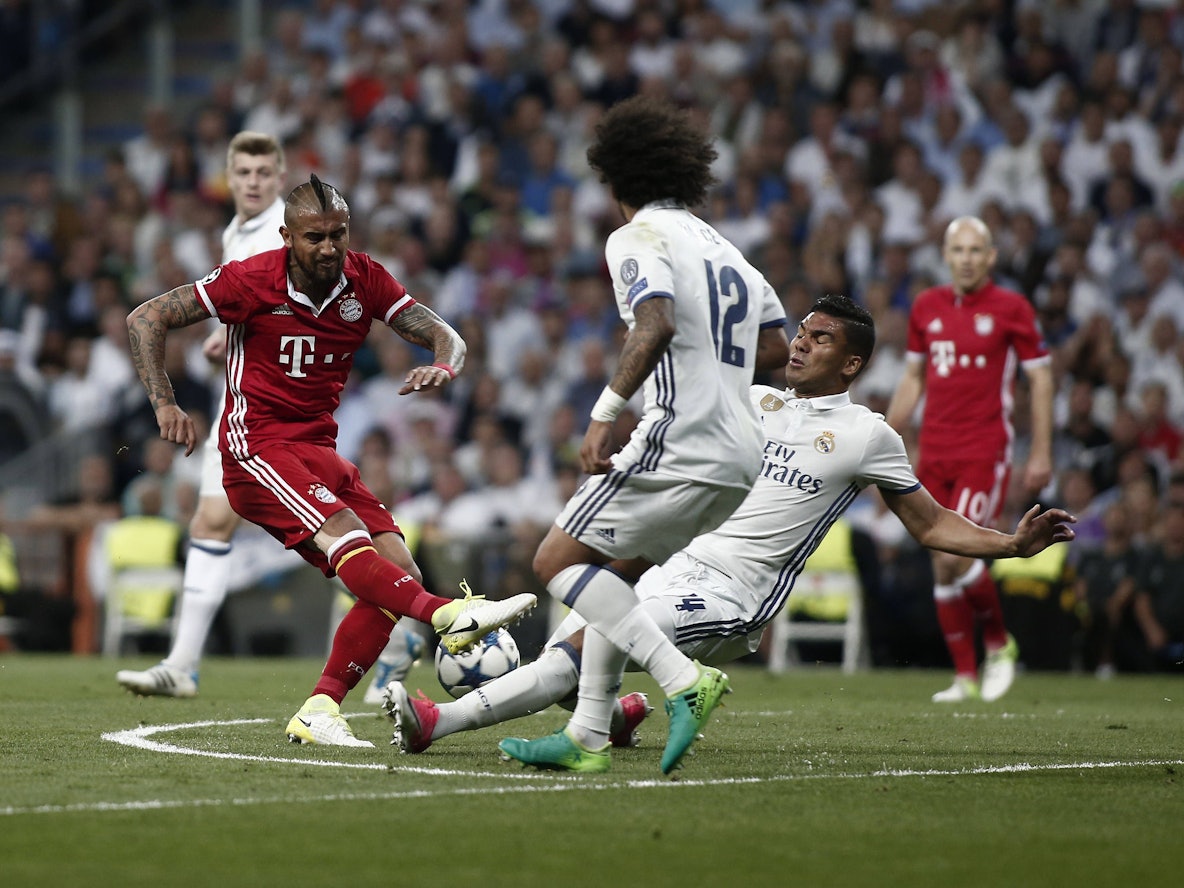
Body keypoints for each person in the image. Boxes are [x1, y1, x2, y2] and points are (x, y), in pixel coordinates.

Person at [381, 295, 1076, 763]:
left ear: (854, 364)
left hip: (736, 597)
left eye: (821, 339)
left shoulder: (867, 435)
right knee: (573, 646)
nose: (801, 346)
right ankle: (619, 715)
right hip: (673, 571)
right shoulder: (755, 400)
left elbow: (929, 524)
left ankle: (439, 724)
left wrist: (1010, 544)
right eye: (801, 334)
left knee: (578, 650)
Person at [124, 173, 536, 746]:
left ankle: (320, 707)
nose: (328, 248)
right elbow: (146, 318)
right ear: (287, 236)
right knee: (348, 537)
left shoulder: (363, 279)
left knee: (400, 574)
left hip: (318, 451)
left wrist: (444, 365)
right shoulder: (250, 279)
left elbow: (447, 336)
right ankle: (446, 616)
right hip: (256, 448)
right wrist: (165, 403)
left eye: (337, 234)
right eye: (314, 237)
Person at [483, 95, 793, 775]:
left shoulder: (637, 237)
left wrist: (603, 412)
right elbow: (779, 348)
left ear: (614, 180)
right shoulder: (729, 252)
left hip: (680, 435)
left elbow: (653, 326)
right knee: (614, 577)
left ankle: (684, 681)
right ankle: (590, 731)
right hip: (742, 452)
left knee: (555, 563)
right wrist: (721, 361)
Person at [885, 215, 1054, 703]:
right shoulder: (926, 306)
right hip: (934, 450)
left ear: (991, 257)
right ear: (945, 254)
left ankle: (999, 645)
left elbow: (1041, 379)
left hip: (984, 450)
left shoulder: (1012, 308)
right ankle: (965, 676)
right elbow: (914, 377)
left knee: (951, 553)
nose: (966, 259)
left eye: (975, 251)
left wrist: (1040, 450)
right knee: (942, 564)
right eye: (957, 250)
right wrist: (887, 434)